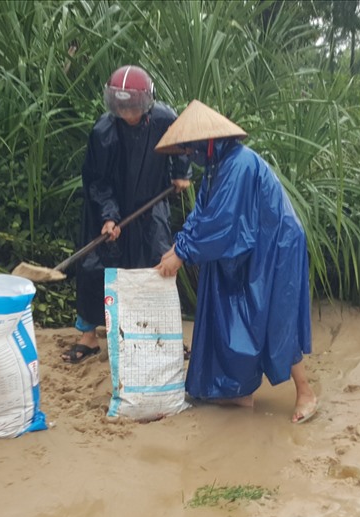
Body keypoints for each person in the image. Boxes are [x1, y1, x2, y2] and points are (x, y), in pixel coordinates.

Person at [153, 100, 318, 424]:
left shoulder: (239, 165)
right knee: (233, 314)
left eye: (189, 147)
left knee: (275, 317)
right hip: (253, 242)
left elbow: (222, 221)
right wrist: (179, 245)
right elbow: (203, 213)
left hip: (277, 244)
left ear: (207, 142)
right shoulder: (217, 168)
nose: (188, 154)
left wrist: (182, 253)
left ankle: (305, 392)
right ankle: (238, 392)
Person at [63, 65, 192, 364]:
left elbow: (184, 146)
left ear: (145, 102)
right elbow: (98, 180)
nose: (127, 112)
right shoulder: (103, 132)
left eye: (132, 106)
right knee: (95, 267)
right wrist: (109, 216)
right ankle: (89, 337)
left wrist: (179, 174)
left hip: (151, 203)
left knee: (160, 263)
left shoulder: (164, 119)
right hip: (108, 206)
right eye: (120, 106)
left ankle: (166, 333)